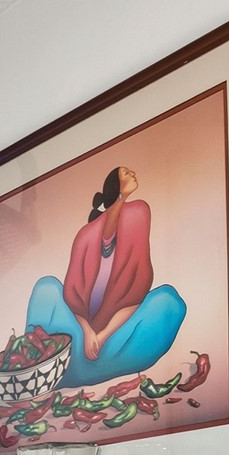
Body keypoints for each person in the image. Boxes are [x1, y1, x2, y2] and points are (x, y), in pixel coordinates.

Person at [18, 166, 187, 388]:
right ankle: (44, 371)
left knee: (169, 302)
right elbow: (72, 299)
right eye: (125, 173)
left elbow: (134, 298)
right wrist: (88, 332)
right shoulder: (86, 236)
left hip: (112, 340)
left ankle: (87, 372)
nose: (132, 173)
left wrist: (103, 335)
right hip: (73, 337)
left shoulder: (136, 216)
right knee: (47, 288)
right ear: (115, 189)